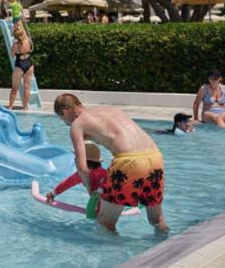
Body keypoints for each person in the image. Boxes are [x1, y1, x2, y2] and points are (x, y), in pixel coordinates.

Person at [53, 93, 168, 233]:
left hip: (129, 162)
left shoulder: (77, 124)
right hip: (155, 157)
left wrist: (91, 190)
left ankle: (120, 254)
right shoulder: (109, 109)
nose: (68, 124)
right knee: (157, 220)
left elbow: (82, 167)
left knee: (105, 223)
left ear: (65, 112)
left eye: (64, 121)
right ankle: (172, 247)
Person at [46, 142, 107, 216]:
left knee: (97, 211)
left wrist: (99, 191)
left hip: (107, 197)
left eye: (76, 158)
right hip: (97, 197)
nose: (74, 160)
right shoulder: (81, 174)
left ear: (83, 162)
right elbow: (67, 183)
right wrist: (53, 193)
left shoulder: (102, 173)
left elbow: (107, 182)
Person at [8, 21, 34, 110]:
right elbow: (25, 34)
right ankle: (25, 107)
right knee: (27, 87)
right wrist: (20, 25)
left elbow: (11, 55)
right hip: (29, 64)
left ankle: (10, 106)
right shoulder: (27, 40)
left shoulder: (16, 45)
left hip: (19, 65)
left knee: (15, 88)